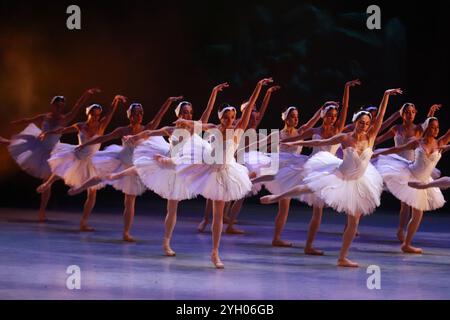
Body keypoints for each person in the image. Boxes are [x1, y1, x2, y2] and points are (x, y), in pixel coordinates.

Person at [260, 88, 403, 267]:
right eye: (361, 122)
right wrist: (298, 142)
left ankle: (342, 257)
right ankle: (277, 196)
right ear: (355, 122)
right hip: (340, 174)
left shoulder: (371, 137)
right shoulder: (344, 137)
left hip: (359, 182)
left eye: (367, 123)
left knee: (354, 221)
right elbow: (320, 142)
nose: (364, 126)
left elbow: (381, 115)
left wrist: (386, 95)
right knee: (310, 187)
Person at [8, 88, 100, 221]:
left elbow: (78, 106)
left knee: (49, 179)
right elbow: (28, 119)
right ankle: (5, 141)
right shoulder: (45, 116)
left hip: (54, 150)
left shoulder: (66, 118)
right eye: (57, 105)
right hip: (39, 146)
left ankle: (42, 211)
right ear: (53, 105)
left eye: (61, 105)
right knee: (17, 142)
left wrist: (86, 94)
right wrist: (14, 123)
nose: (59, 107)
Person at [36, 95, 126, 231]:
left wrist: (115, 101)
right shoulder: (80, 126)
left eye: (97, 115)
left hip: (92, 161)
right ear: (88, 114)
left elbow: (110, 113)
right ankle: (47, 184)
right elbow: (63, 130)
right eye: (93, 114)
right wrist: (48, 132)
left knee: (92, 193)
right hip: (77, 156)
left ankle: (84, 222)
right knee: (63, 167)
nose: (95, 117)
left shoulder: (101, 125)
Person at [374, 116, 449, 254]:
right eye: (432, 127)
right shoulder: (417, 142)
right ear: (426, 128)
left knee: (417, 215)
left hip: (424, 180)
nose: (435, 130)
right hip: (410, 175)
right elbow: (395, 150)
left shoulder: (440, 143)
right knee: (415, 212)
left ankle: (407, 244)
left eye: (437, 127)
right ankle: (406, 243)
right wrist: (377, 154)